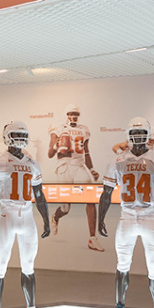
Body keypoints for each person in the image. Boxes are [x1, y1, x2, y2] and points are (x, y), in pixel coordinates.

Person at [98, 117, 154, 308]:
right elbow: (106, 193)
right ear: (128, 135)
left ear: (148, 134)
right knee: (122, 265)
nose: (138, 137)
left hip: (149, 214)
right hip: (126, 215)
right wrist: (101, 218)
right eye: (134, 133)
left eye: (141, 132)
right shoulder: (117, 161)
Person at [0, 121, 51, 308]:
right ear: (7, 136)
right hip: (7, 214)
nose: (20, 137)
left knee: (29, 265)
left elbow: (39, 195)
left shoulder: (33, 163)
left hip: (26, 216)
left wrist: (45, 219)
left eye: (22, 134)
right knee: (0, 264)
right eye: (16, 134)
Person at [48, 103, 104, 252]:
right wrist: (56, 146)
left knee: (90, 198)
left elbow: (86, 152)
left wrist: (91, 169)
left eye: (76, 114)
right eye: (70, 114)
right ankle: (56, 216)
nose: (73, 116)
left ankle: (92, 238)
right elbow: (50, 154)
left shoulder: (84, 130)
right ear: (66, 115)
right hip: (63, 166)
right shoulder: (58, 129)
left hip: (79, 166)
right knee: (66, 207)